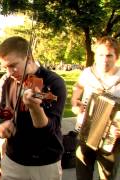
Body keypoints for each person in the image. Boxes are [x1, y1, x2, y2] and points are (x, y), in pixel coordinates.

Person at [0, 36, 67, 180]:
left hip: (44, 164)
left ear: (29, 57)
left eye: (13, 65)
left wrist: (35, 108)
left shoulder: (53, 82)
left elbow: (50, 129)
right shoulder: (8, 81)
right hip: (12, 161)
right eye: (5, 67)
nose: (10, 72)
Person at [72, 36, 120, 180]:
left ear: (116, 56)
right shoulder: (88, 73)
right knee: (82, 174)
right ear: (95, 55)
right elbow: (78, 87)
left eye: (109, 55)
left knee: (107, 176)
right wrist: (75, 102)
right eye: (101, 55)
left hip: (112, 136)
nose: (105, 59)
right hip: (85, 130)